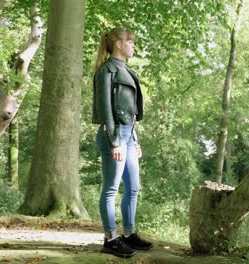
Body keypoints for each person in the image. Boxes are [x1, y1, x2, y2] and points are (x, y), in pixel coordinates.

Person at [92, 27, 153, 258]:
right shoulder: (106, 71)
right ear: (118, 43)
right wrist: (115, 141)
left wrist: (133, 139)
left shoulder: (125, 70)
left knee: (133, 187)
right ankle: (110, 238)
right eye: (131, 42)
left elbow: (130, 112)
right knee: (111, 189)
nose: (133, 46)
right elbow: (106, 110)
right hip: (114, 137)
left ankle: (129, 234)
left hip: (127, 137)